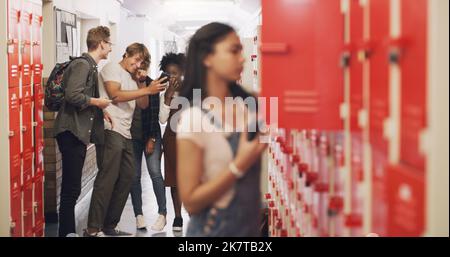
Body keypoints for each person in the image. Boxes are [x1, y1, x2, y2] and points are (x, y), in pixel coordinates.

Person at [176, 22, 267, 237]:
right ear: (207, 58)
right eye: (234, 51)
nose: (242, 58)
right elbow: (191, 202)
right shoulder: (194, 118)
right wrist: (239, 165)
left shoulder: (250, 106)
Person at [84, 43, 167, 237]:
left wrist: (141, 83)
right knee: (107, 179)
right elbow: (116, 95)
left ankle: (109, 225)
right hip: (110, 130)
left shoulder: (133, 78)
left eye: (142, 62)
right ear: (126, 54)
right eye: (135, 59)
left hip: (126, 133)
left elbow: (143, 105)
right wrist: (147, 90)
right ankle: (93, 229)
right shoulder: (113, 68)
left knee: (128, 177)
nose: (137, 64)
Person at [53, 26, 113, 237]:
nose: (111, 48)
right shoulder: (82, 65)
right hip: (70, 132)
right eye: (110, 43)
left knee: (72, 188)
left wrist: (101, 111)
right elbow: (73, 95)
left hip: (77, 132)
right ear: (102, 44)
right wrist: (98, 102)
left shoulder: (91, 66)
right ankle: (67, 233)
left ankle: (68, 232)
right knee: (71, 189)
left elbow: (83, 98)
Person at [129, 58, 169, 232]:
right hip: (131, 137)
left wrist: (152, 139)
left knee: (155, 173)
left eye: (143, 69)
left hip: (150, 135)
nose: (141, 72)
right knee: (134, 176)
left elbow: (154, 115)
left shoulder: (152, 85)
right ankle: (139, 215)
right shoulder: (128, 85)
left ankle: (163, 213)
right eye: (138, 69)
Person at [159, 53, 186, 233]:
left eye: (175, 73)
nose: (172, 77)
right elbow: (162, 119)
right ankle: (178, 216)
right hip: (172, 140)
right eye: (169, 74)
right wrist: (168, 96)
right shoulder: (163, 92)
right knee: (175, 181)